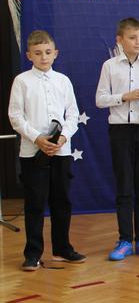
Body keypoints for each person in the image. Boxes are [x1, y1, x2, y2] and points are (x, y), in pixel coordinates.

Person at [8, 30, 85, 271]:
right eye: (38, 53)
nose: (43, 57)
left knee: (61, 200)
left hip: (61, 151)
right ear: (29, 55)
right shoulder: (22, 81)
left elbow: (72, 114)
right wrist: (37, 138)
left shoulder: (63, 81)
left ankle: (62, 248)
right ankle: (33, 253)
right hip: (33, 152)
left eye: (48, 52)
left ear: (55, 54)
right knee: (35, 202)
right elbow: (15, 116)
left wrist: (63, 137)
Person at [96, 18, 139, 261]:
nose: (138, 42)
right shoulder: (109, 66)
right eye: (132, 38)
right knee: (124, 186)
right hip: (120, 131)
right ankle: (124, 240)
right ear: (119, 40)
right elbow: (100, 99)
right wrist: (125, 96)